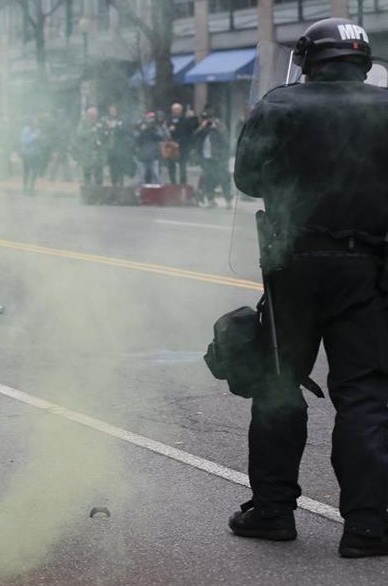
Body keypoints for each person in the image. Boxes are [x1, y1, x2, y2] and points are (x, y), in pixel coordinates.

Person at [232, 17, 388, 558]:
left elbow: (247, 179)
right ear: (362, 61)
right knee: (365, 396)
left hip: (291, 262)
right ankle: (369, 527)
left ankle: (272, 512)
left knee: (279, 385)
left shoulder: (280, 104)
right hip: (367, 268)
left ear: (310, 59)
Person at [72, 106, 107, 190]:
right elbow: (79, 134)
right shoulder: (83, 123)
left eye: (95, 114)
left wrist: (103, 135)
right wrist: (91, 130)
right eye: (91, 114)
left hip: (99, 152)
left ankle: (99, 192)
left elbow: (105, 135)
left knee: (99, 174)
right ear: (88, 114)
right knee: (87, 174)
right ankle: (88, 193)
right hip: (87, 152)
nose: (93, 116)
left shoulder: (101, 122)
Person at [167, 103, 197, 185]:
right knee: (171, 166)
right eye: (174, 110)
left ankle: (182, 183)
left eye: (178, 110)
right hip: (171, 147)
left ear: (180, 111)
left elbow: (190, 134)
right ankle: (173, 182)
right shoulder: (168, 120)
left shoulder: (185, 121)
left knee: (182, 166)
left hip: (183, 147)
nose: (176, 112)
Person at [134, 112, 166, 185]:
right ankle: (140, 191)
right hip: (142, 155)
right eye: (149, 118)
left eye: (152, 118)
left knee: (155, 175)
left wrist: (152, 130)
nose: (150, 120)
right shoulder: (141, 127)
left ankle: (158, 190)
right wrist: (141, 130)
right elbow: (137, 139)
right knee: (141, 177)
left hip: (153, 155)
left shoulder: (156, 127)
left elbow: (161, 137)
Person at [20, 119, 41, 195]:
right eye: (35, 123)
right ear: (31, 124)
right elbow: (24, 142)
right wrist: (34, 137)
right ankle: (25, 188)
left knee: (35, 171)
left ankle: (32, 187)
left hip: (35, 154)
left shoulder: (37, 131)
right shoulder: (26, 131)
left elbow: (39, 141)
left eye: (37, 123)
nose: (37, 125)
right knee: (27, 172)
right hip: (26, 154)